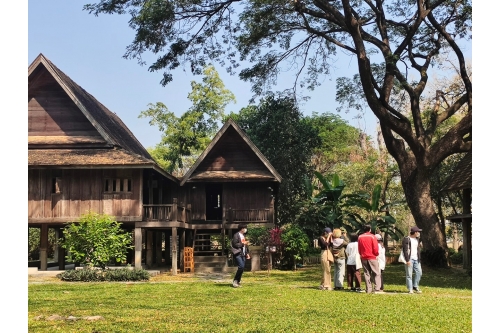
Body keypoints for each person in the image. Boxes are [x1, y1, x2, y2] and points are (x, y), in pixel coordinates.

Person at [358, 224, 383, 294]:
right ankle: (377, 288)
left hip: (364, 257)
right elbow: (375, 247)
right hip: (372, 257)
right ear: (370, 229)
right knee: (376, 273)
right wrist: (376, 254)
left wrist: (361, 254)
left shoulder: (360, 237)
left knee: (366, 273)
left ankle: (368, 289)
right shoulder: (372, 237)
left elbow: (359, 248)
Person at [402, 226, 423, 294]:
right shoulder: (406, 239)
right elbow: (405, 250)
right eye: (418, 232)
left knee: (419, 272)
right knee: (409, 274)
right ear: (415, 232)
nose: (419, 233)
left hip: (416, 259)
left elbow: (418, 249)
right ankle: (410, 289)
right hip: (409, 259)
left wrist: (419, 257)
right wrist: (407, 260)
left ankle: (415, 286)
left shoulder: (417, 239)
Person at [231, 223, 250, 288]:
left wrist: (247, 253)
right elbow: (235, 244)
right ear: (241, 228)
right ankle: (235, 281)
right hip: (238, 253)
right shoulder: (236, 235)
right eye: (245, 228)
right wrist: (243, 243)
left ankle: (238, 282)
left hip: (243, 254)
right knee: (241, 267)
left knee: (242, 268)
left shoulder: (243, 235)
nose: (245, 229)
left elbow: (245, 246)